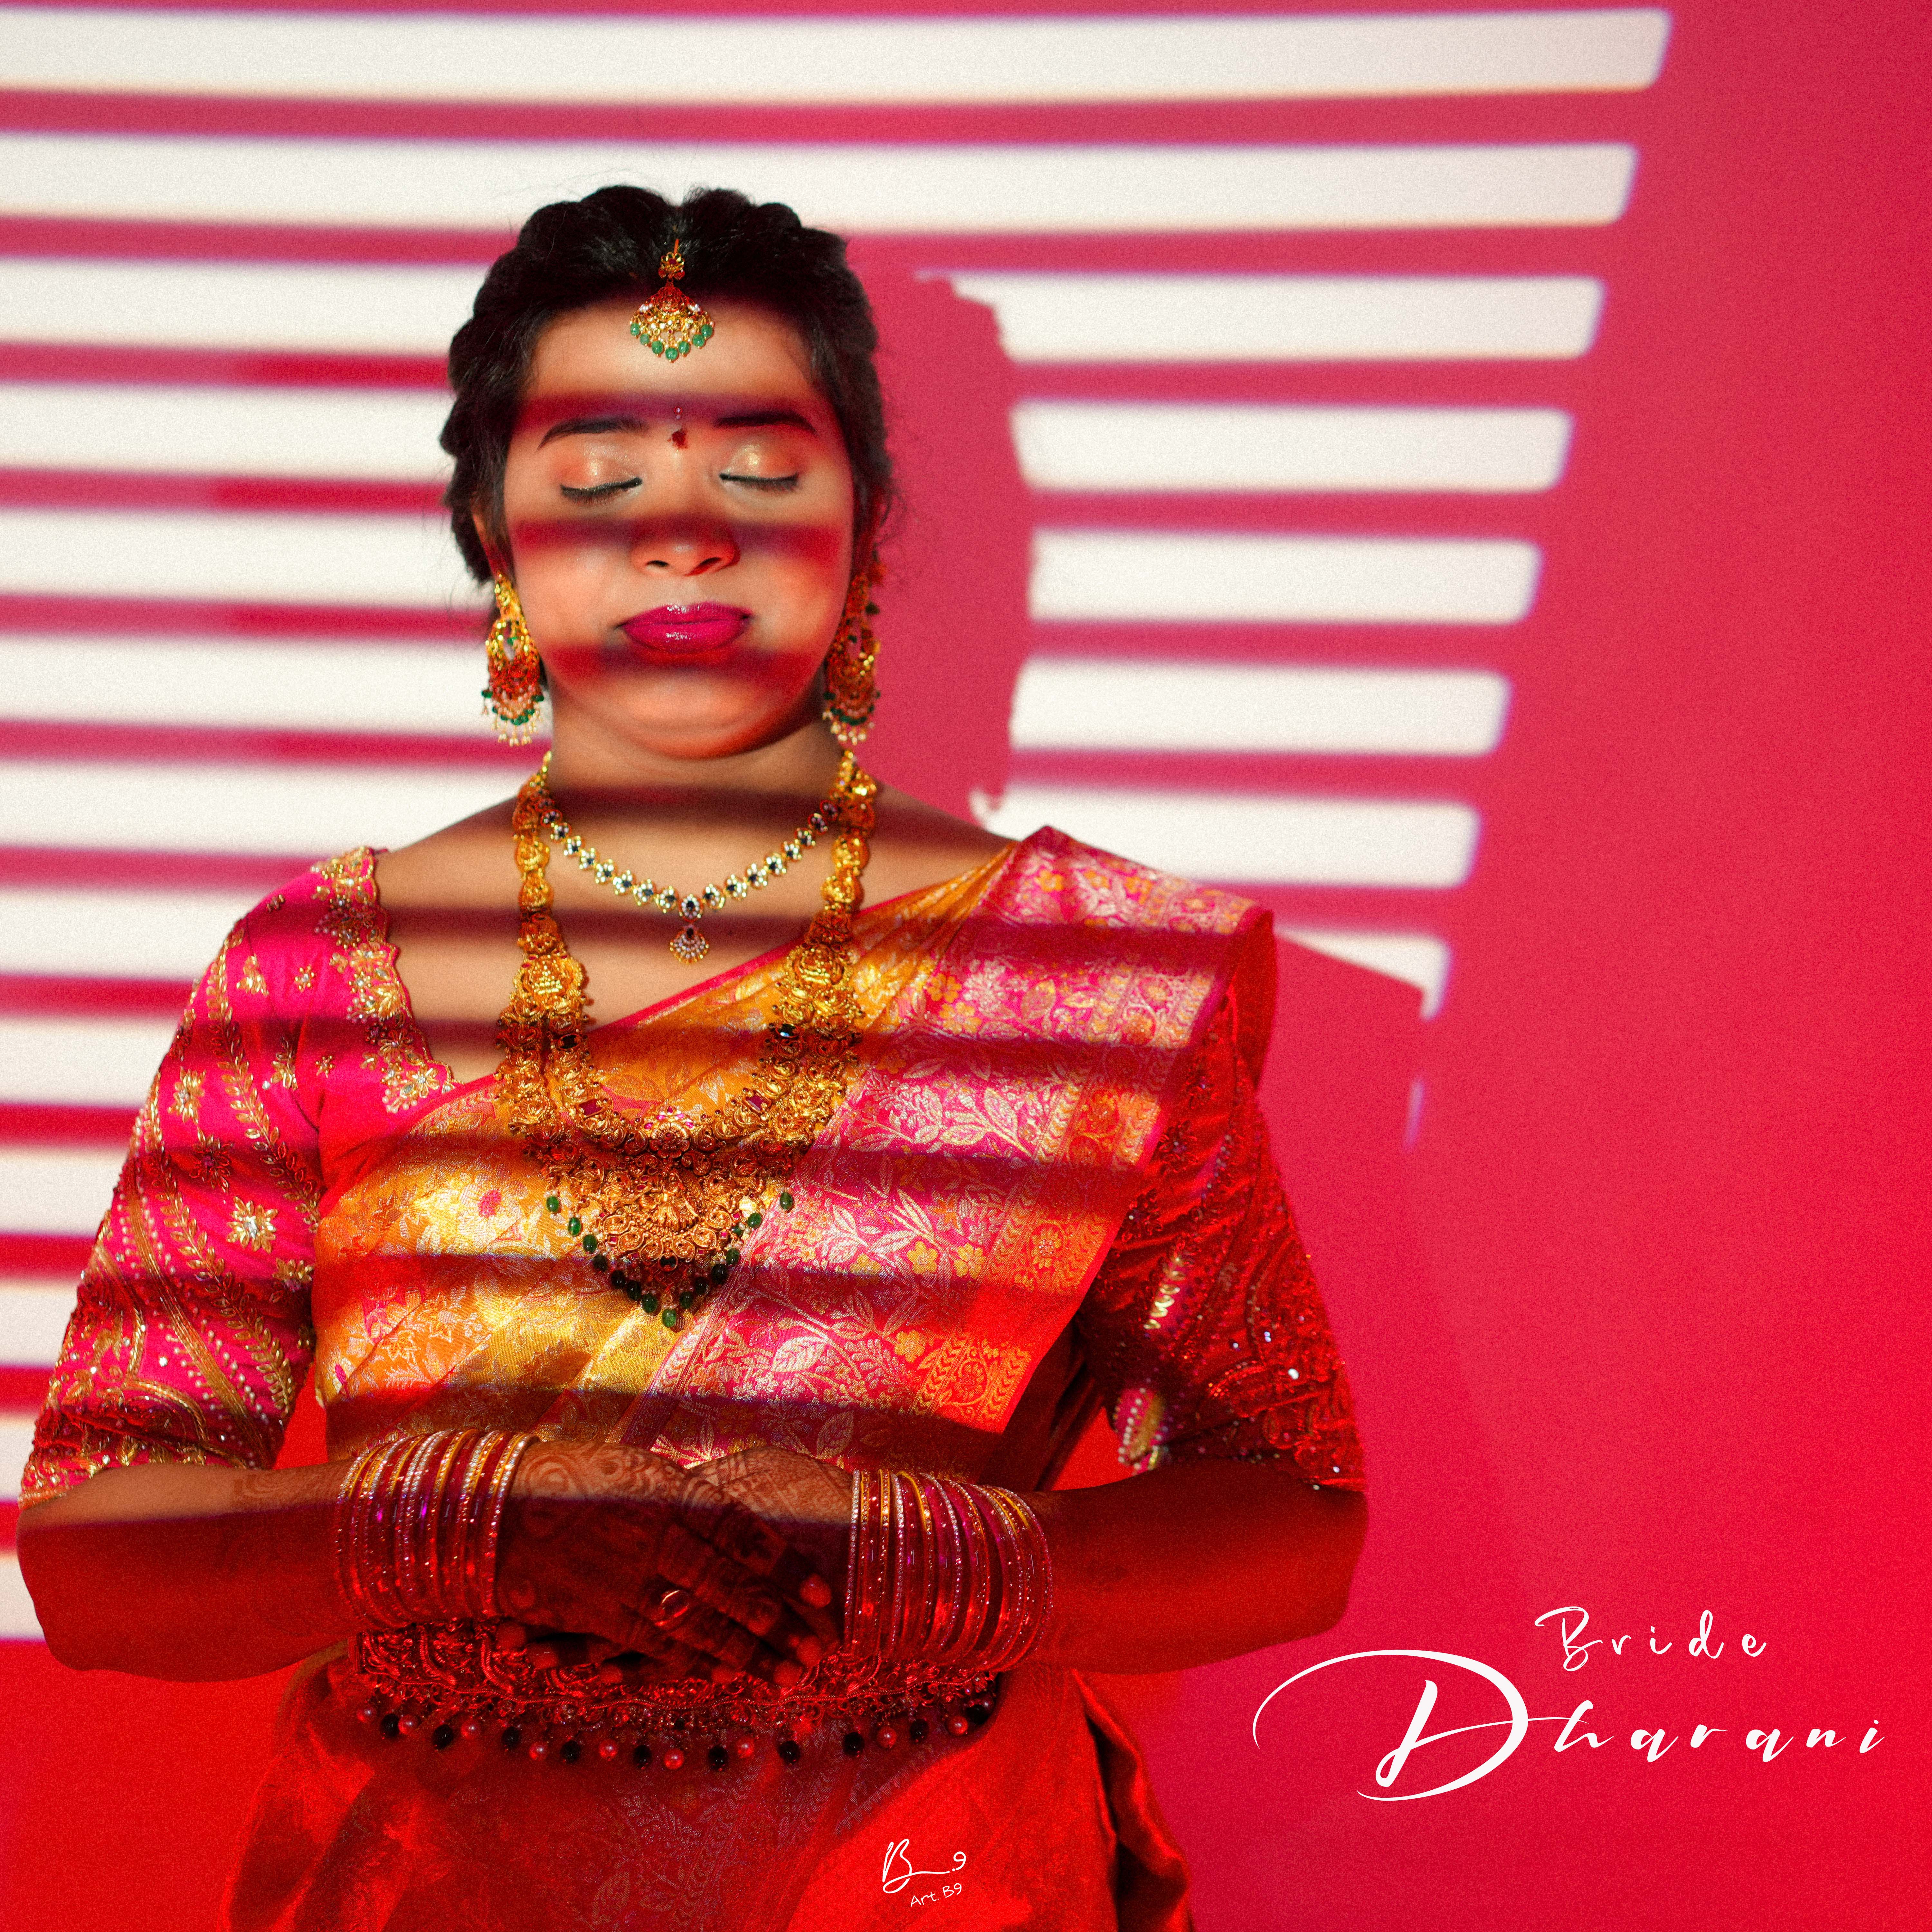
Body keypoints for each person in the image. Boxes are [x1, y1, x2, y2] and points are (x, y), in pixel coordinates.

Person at [15, 185, 1367, 1932]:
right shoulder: (317, 972)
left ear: (866, 529)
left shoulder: (1096, 973)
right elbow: (101, 1560)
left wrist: (920, 1557)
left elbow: (1284, 1516)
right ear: (491, 533)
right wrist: (478, 1525)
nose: (682, 542)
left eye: (760, 470)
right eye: (596, 479)